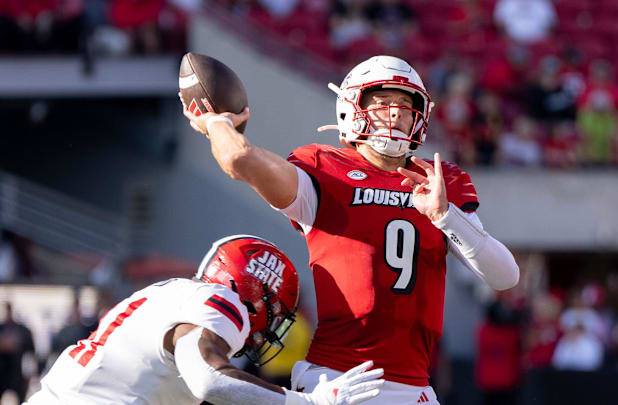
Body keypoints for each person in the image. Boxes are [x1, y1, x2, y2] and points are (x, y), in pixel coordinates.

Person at [182, 55, 520, 404]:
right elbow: (240, 159)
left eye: (406, 104)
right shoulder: (324, 169)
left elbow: (505, 277)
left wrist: (445, 215)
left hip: (416, 386)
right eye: (382, 102)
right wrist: (216, 123)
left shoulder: (439, 179)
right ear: (351, 107)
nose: (396, 113)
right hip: (342, 379)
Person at [24, 235, 384, 405]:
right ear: (255, 293)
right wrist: (309, 403)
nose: (268, 330)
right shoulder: (219, 299)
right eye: (272, 312)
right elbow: (209, 379)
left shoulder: (169, 295)